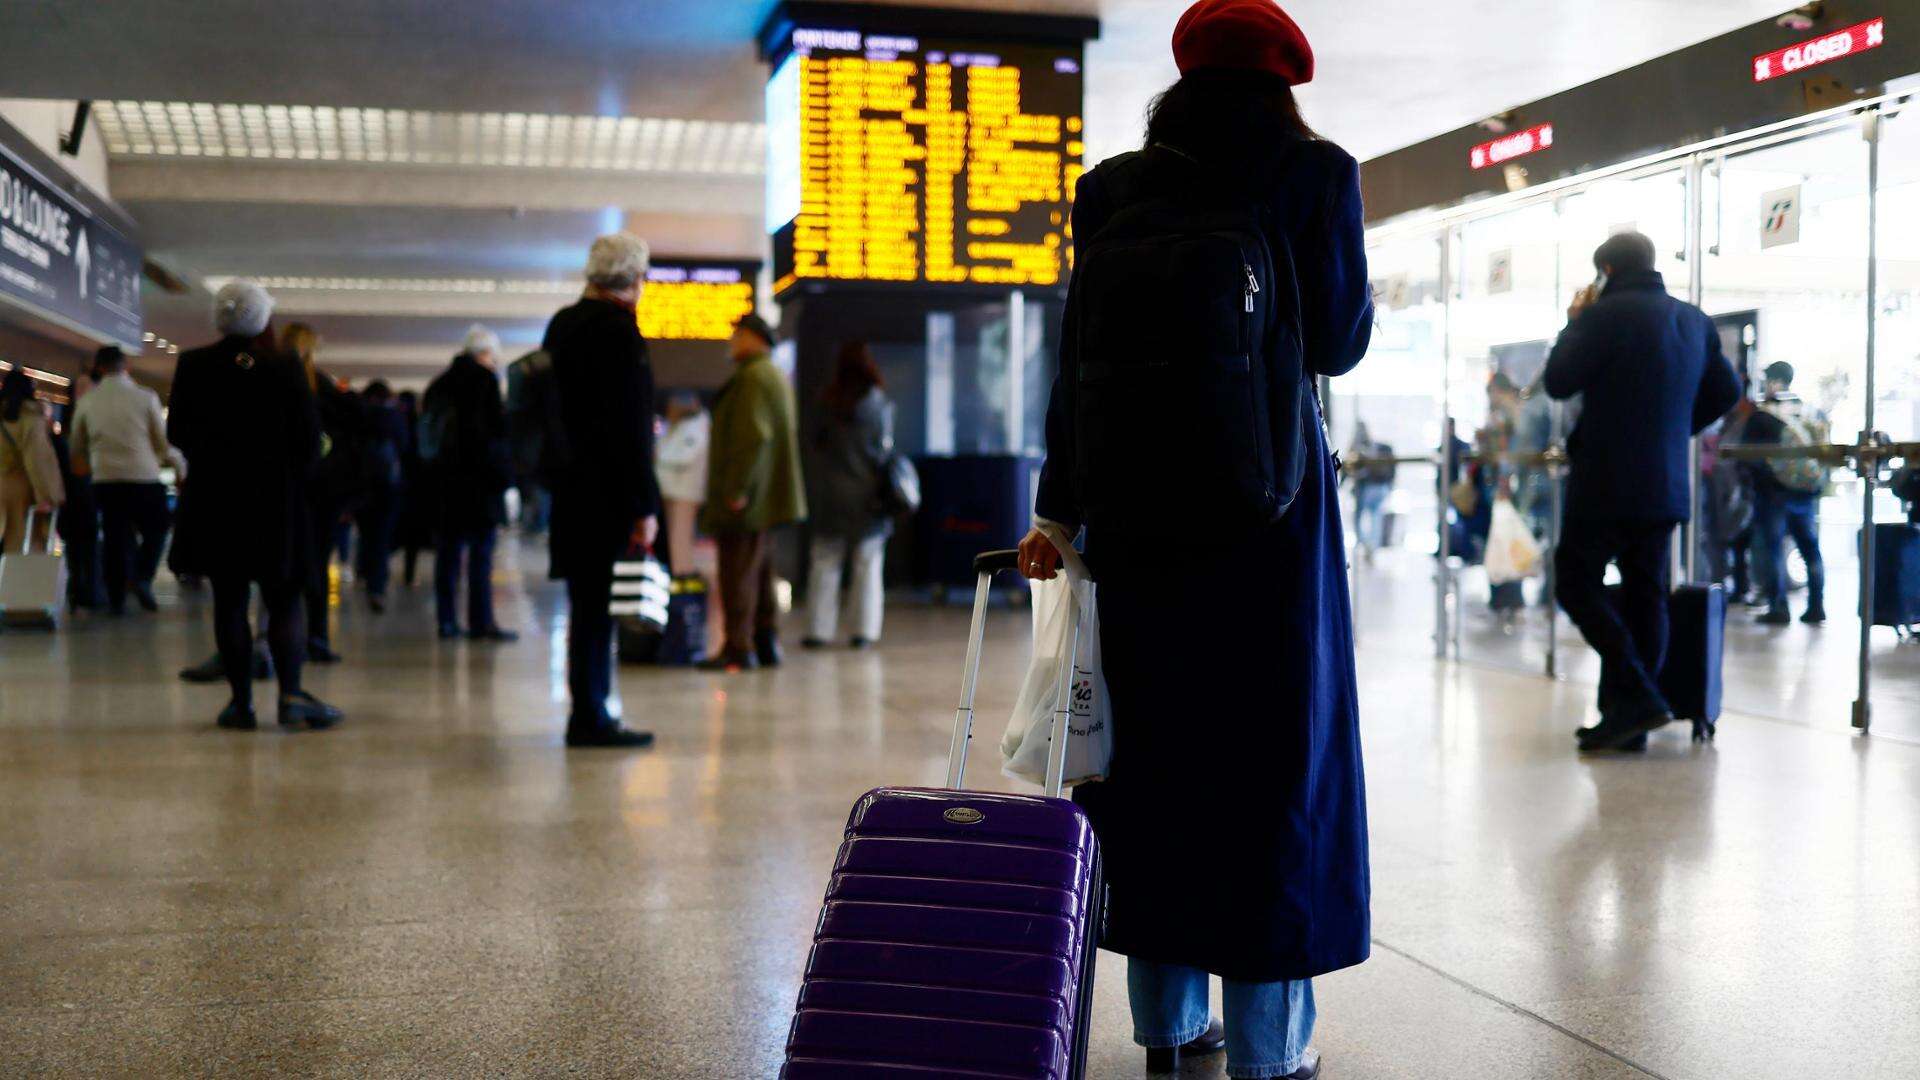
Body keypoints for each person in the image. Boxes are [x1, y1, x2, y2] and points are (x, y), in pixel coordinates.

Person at [1018, 4, 1373, 1074]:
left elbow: (1077, 362)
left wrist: (1056, 512)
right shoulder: (1317, 172)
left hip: (1136, 522)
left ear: (1181, 74)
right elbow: (1344, 342)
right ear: (1284, 79)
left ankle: (1168, 1027)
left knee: (1152, 762)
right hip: (1271, 518)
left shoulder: (1114, 190)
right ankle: (1271, 1048)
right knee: (1278, 765)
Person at [1543, 231, 1740, 750]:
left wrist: (1574, 322)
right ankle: (1629, 718)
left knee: (1573, 581)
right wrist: (1676, 431)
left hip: (1606, 480)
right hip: (1665, 483)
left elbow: (1559, 380)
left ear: (1605, 269)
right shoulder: (1692, 320)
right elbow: (1728, 390)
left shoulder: (1602, 317)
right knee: (1646, 593)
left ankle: (1635, 694)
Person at [167, 281, 340, 731]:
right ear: (263, 319)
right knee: (284, 600)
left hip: (216, 501)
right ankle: (290, 696)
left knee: (228, 600)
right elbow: (308, 443)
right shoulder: (285, 369)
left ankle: (240, 703)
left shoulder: (193, 366)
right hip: (276, 503)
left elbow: (178, 434)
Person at [540, 232, 661, 748]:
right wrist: (644, 505)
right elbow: (631, 429)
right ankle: (592, 718)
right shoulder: (619, 332)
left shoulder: (561, 326)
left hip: (569, 490)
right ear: (632, 279)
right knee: (599, 610)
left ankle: (585, 711)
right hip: (608, 494)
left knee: (583, 606)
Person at [698, 313, 805, 672]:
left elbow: (751, 439)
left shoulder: (752, 379)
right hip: (767, 498)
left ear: (754, 338)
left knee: (737, 573)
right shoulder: (772, 376)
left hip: (747, 499)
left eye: (737, 335)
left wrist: (737, 489)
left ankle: (738, 648)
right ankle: (764, 641)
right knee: (759, 572)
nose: (732, 341)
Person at [419, 324, 516, 642]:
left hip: (444, 483)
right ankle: (481, 622)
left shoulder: (440, 384)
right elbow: (495, 435)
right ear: (486, 355)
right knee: (480, 554)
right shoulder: (486, 382)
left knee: (447, 554)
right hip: (479, 485)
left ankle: (446, 621)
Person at [803, 342, 895, 649]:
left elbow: (815, 445)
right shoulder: (877, 405)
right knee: (867, 566)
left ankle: (819, 630)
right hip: (868, 498)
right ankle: (863, 632)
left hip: (830, 496)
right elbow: (884, 452)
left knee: (824, 562)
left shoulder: (827, 401)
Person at [67, 346, 170, 613]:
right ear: (126, 367)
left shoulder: (87, 402)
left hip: (106, 479)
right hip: (144, 477)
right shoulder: (145, 397)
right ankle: (143, 576)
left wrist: (88, 465)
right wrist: (170, 462)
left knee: (115, 536)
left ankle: (116, 598)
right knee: (157, 529)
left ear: (99, 368)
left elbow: (77, 445)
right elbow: (161, 441)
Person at [283, 324, 363, 660]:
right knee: (317, 563)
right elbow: (352, 429)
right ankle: (317, 638)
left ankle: (279, 638)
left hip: (286, 489)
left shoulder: (275, 383)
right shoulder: (322, 387)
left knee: (283, 568)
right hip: (324, 491)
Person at [1744, 360, 1827, 626]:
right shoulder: (1808, 411)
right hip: (1805, 492)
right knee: (1810, 549)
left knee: (1773, 550)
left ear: (1773, 381)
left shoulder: (1763, 415)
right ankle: (1816, 606)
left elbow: (1747, 455)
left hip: (1773, 494)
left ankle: (1778, 607)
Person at [355, 380, 408, 612]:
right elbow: (405, 447)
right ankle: (377, 584)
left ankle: (363, 571)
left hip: (363, 485)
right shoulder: (394, 419)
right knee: (382, 536)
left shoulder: (360, 417)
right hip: (389, 487)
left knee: (366, 533)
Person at [0, 367, 64, 555]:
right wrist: (48, 496)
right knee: (15, 548)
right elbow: (38, 462)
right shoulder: (30, 420)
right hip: (18, 492)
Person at [655, 391, 709, 577]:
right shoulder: (679, 425)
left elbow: (682, 456)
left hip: (684, 492)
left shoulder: (695, 427)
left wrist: (657, 458)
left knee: (679, 540)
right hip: (673, 491)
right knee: (675, 539)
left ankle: (682, 580)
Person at [394, 388, 433, 588]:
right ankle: (409, 575)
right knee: (413, 540)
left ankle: (370, 574)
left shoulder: (397, 427)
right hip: (417, 491)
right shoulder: (422, 427)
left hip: (399, 488)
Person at [1344, 421, 1393, 561]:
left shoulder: (1358, 448)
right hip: (1379, 487)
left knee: (1359, 518)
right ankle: (1371, 546)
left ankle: (1366, 544)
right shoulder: (1376, 447)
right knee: (1375, 517)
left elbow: (1348, 470)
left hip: (1366, 488)